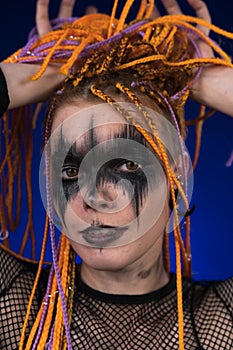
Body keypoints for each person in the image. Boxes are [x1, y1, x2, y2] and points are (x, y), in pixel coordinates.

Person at [0, 0, 232, 349]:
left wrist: (208, 78)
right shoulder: (14, 308)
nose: (92, 196)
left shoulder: (221, 322)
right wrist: (37, 74)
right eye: (70, 169)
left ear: (178, 176)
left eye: (127, 164)